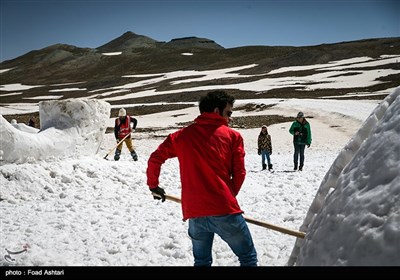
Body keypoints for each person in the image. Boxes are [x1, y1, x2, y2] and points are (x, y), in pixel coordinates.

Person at [146, 90, 257, 267]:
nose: (229, 118)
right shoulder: (232, 136)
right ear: (216, 111)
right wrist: (226, 196)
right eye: (228, 113)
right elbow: (240, 173)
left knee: (202, 261)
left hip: (195, 212)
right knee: (248, 258)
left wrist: (153, 186)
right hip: (223, 209)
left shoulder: (181, 136)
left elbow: (155, 158)